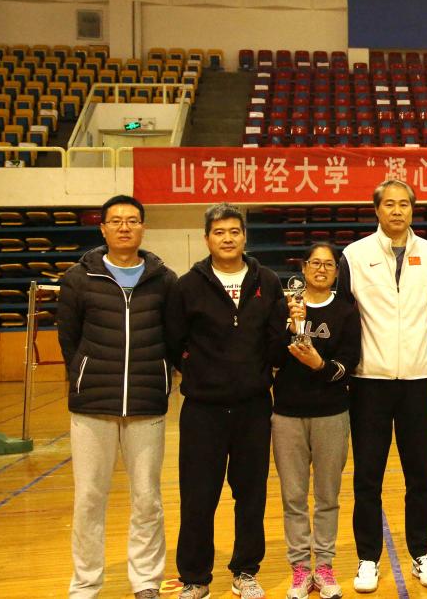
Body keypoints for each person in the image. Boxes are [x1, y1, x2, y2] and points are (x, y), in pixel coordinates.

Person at [165, 202, 288, 599]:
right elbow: (174, 341)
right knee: (198, 496)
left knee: (250, 495)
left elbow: (276, 339)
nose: (228, 238)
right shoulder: (187, 285)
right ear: (207, 239)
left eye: (234, 231)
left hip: (253, 407)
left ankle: (245, 571)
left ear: (244, 237)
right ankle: (195, 577)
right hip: (203, 410)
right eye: (219, 232)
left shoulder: (267, 281)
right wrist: (199, 371)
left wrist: (255, 373)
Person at [58, 194, 177, 599]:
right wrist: (84, 374)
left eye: (132, 220)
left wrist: (160, 377)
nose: (124, 227)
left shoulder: (164, 280)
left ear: (143, 227)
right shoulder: (78, 279)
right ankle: (85, 583)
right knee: (89, 499)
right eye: (116, 221)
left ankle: (145, 580)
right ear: (103, 228)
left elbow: (173, 337)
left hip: (146, 405)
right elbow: (68, 338)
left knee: (147, 499)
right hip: (92, 407)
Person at [336, 179, 427, 593]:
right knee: (368, 475)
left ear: (413, 210)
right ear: (377, 210)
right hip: (369, 383)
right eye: (389, 204)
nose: (397, 211)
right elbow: (345, 314)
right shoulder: (354, 254)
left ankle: (422, 552)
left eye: (404, 204)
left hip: (417, 381)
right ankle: (367, 558)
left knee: (420, 474)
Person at [275, 243, 361, 599]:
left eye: (328, 264)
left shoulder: (346, 312)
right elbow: (269, 355)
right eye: (315, 263)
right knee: (293, 497)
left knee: (327, 496)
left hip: (331, 414)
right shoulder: (285, 307)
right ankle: (299, 570)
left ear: (336, 272)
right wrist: (288, 327)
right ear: (304, 267)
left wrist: (320, 366)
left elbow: (348, 364)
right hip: (286, 415)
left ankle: (324, 567)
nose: (321, 269)